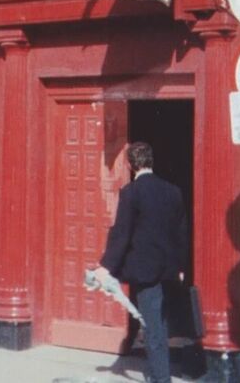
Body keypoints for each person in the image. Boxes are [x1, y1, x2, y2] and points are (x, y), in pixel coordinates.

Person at [93, 142, 189, 383]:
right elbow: (181, 233)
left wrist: (106, 266)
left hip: (146, 272)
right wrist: (180, 266)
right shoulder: (173, 191)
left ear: (129, 165)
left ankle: (161, 378)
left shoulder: (131, 193)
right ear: (151, 161)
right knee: (159, 322)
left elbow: (122, 233)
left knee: (153, 327)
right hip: (169, 269)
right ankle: (158, 372)